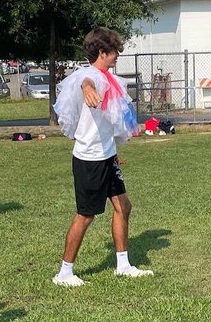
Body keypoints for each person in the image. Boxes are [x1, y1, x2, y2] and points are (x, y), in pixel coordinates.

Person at [51, 27, 153, 287]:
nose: (117, 55)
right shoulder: (88, 76)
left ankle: (123, 265)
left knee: (123, 206)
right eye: (114, 52)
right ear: (101, 52)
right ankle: (64, 273)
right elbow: (87, 83)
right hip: (89, 159)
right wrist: (87, 90)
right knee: (86, 215)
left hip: (107, 155)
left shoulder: (111, 78)